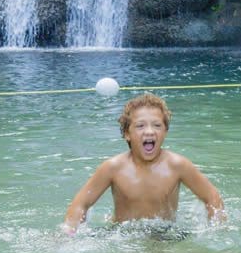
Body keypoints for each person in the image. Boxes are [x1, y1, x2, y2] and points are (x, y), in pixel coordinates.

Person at [62, 92, 224, 235]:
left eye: (157, 125)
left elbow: (212, 197)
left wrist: (216, 231)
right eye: (140, 126)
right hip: (122, 236)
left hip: (166, 235)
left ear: (165, 131)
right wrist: (70, 233)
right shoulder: (113, 168)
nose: (149, 131)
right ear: (127, 134)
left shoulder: (178, 165)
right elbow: (80, 204)